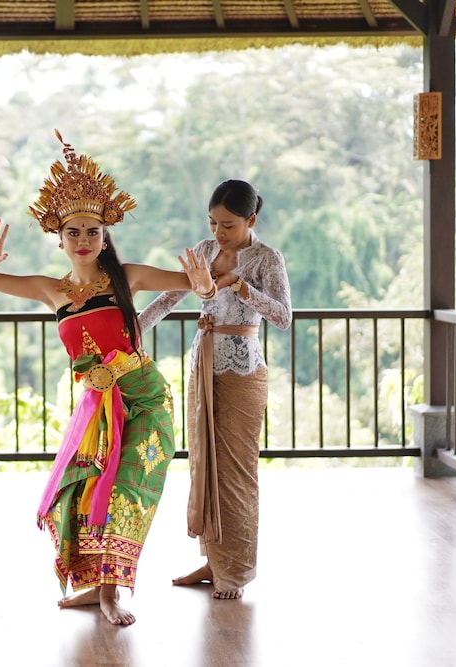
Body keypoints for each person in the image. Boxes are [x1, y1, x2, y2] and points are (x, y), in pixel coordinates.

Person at [0, 130, 216, 625]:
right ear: (59, 238)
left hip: (144, 400)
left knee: (124, 490)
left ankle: (109, 593)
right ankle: (92, 586)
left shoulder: (127, 276)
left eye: (92, 231)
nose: (84, 240)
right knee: (82, 493)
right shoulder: (51, 289)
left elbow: (194, 285)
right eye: (74, 232)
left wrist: (205, 284)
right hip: (96, 407)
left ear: (104, 236)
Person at [139, 179, 293, 600]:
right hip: (202, 362)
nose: (218, 233)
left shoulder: (266, 258)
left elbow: (283, 316)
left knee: (236, 470)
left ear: (251, 220)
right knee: (203, 463)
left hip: (243, 369)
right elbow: (168, 299)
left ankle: (236, 571)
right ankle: (214, 560)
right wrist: (131, 330)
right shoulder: (204, 251)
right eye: (212, 223)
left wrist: (239, 285)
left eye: (228, 225)